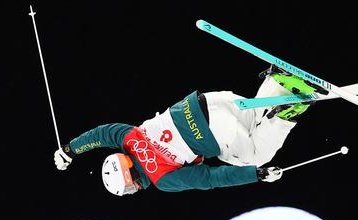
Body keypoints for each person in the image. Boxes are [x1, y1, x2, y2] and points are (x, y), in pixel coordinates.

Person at [53, 66, 324, 195]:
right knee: (252, 117)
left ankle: (291, 111)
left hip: (213, 131)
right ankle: (280, 83)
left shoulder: (161, 179)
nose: (134, 192)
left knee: (254, 155)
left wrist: (255, 175)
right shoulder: (127, 136)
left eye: (128, 190)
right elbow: (99, 134)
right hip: (208, 100)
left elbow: (209, 177)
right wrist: (69, 151)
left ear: (130, 179)